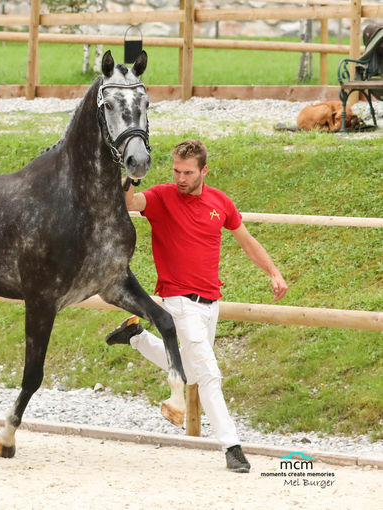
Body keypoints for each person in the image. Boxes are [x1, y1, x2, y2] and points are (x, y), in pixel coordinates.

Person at [106, 139, 288, 473]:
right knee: (209, 376)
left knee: (189, 369)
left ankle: (135, 336)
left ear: (204, 170)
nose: (180, 177)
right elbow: (129, 202)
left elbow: (246, 241)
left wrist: (273, 272)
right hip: (178, 301)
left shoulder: (221, 202)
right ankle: (232, 448)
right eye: (176, 170)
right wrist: (131, 176)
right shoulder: (161, 197)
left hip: (210, 303)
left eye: (188, 172)